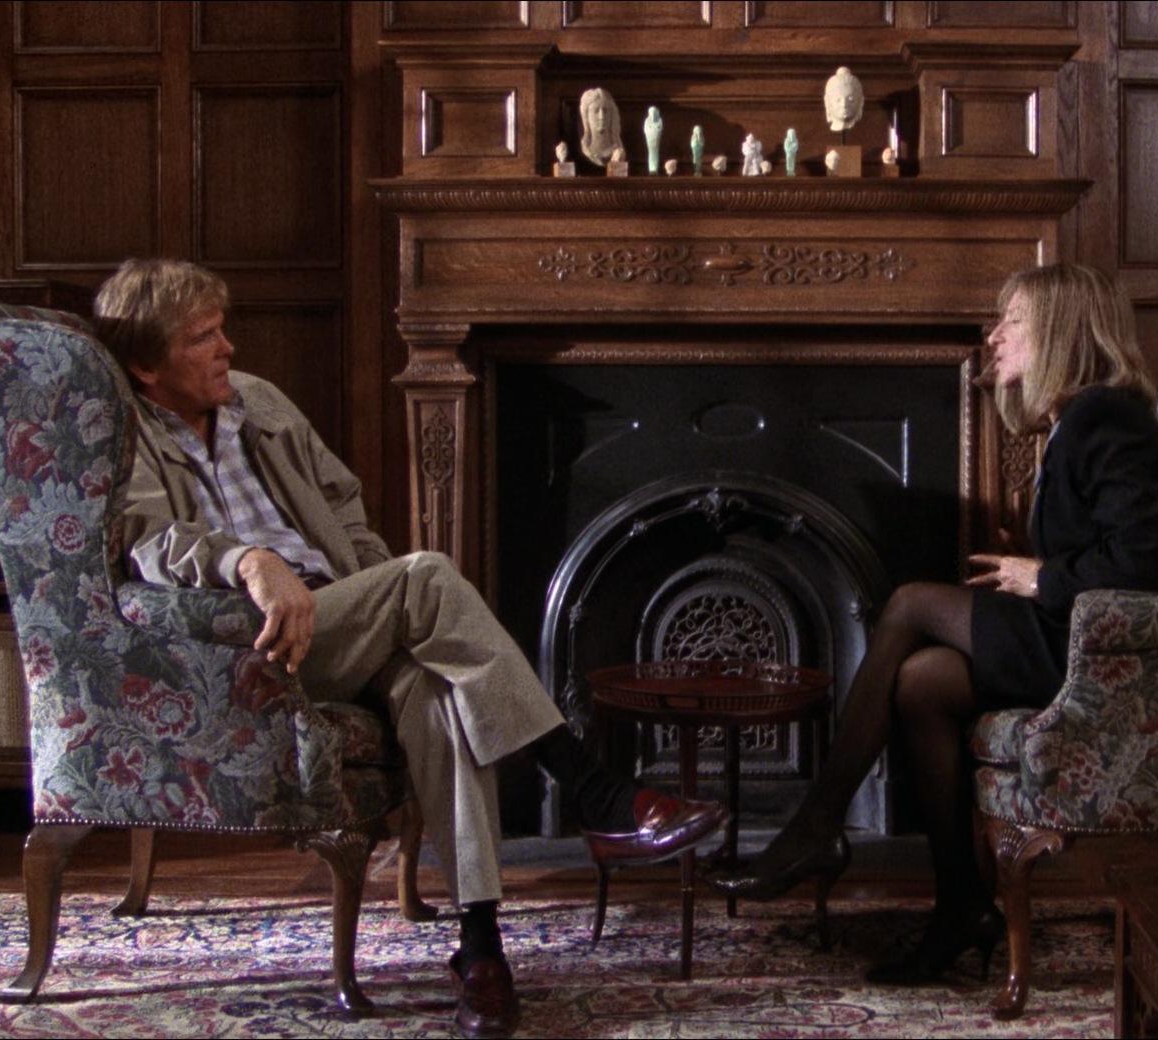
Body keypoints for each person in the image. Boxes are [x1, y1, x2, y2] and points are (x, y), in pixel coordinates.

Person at [94, 258, 726, 1037]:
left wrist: (368, 586)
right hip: (253, 638)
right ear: (147, 365)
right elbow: (150, 542)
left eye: (223, 329)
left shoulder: (258, 401)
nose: (227, 348)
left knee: (439, 694)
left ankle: (481, 951)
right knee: (426, 576)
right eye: (202, 338)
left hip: (341, 614)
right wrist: (250, 561)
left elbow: (343, 505)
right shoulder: (124, 434)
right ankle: (596, 792)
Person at [709, 264, 1158, 984]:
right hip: (1073, 636)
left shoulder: (1107, 417)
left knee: (912, 603)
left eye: (1013, 320)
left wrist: (1042, 576)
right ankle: (960, 906)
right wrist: (1042, 568)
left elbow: (1145, 561)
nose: (993, 335)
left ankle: (816, 825)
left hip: (1108, 655)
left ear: (1063, 331)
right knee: (922, 682)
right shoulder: (1076, 422)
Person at [578, 86, 621, 167]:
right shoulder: (585, 148)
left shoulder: (617, 150)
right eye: (596, 111)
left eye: (605, 111)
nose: (602, 117)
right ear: (586, 116)